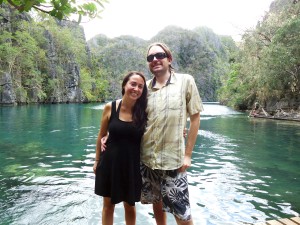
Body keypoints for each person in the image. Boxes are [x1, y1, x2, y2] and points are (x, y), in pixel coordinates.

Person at [140, 42, 203, 225]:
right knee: (156, 204)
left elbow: (195, 117)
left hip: (174, 161)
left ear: (169, 58)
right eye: (150, 58)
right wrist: (108, 134)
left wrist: (188, 155)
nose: (155, 60)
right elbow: (130, 116)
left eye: (159, 55)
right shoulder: (144, 88)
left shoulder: (185, 81)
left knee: (182, 212)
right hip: (148, 160)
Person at [93, 71, 148, 225]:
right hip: (110, 163)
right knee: (108, 206)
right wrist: (97, 160)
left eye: (140, 86)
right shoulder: (110, 108)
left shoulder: (144, 111)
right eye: (133, 84)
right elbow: (101, 135)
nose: (136, 89)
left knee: (130, 206)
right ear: (124, 85)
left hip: (132, 165)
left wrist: (181, 130)